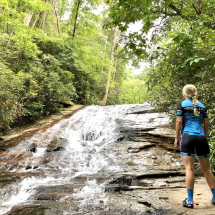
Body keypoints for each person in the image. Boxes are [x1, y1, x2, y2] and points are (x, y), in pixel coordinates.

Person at [174, 84, 215, 208]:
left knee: (189, 169)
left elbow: (179, 121)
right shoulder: (202, 106)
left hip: (188, 137)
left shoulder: (182, 104)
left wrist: (176, 138)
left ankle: (189, 201)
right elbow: (206, 122)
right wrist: (204, 135)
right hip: (201, 137)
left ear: (185, 93)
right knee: (207, 169)